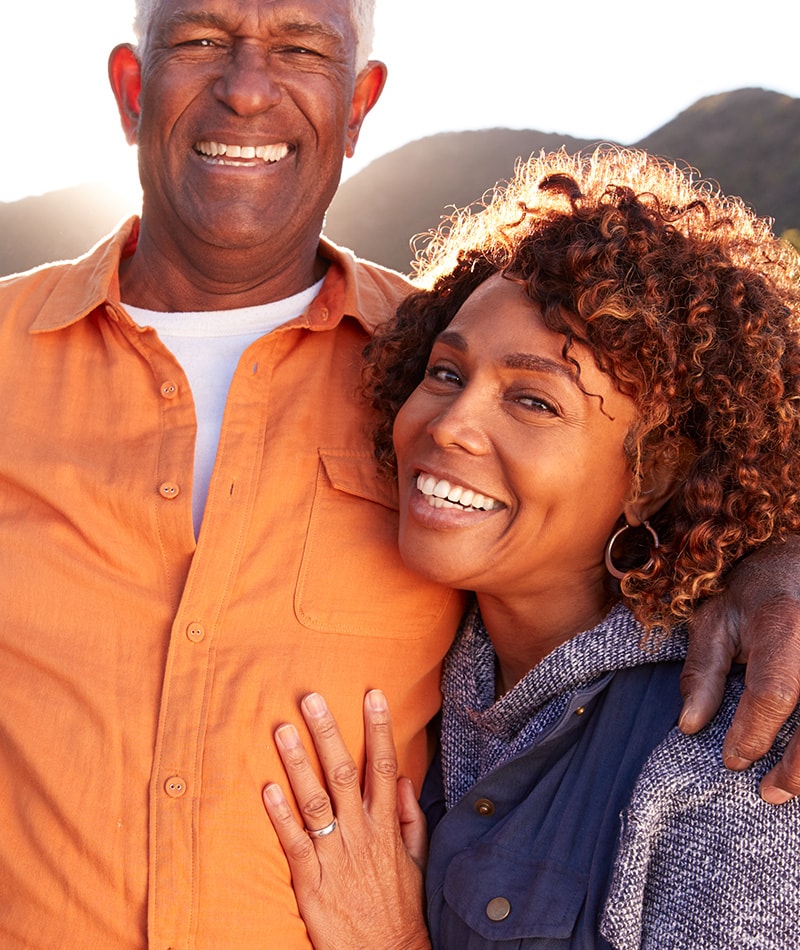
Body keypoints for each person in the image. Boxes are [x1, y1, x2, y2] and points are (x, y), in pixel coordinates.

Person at [0, 1, 796, 944]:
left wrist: (776, 557)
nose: (247, 88)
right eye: (202, 40)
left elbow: (699, 465)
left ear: (359, 103)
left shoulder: (415, 355)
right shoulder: (434, 384)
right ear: (133, 88)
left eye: (299, 48)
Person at [263, 147, 800, 949]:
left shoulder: (733, 751)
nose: (447, 425)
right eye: (445, 373)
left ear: (654, 475)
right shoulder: (437, 670)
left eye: (533, 400)